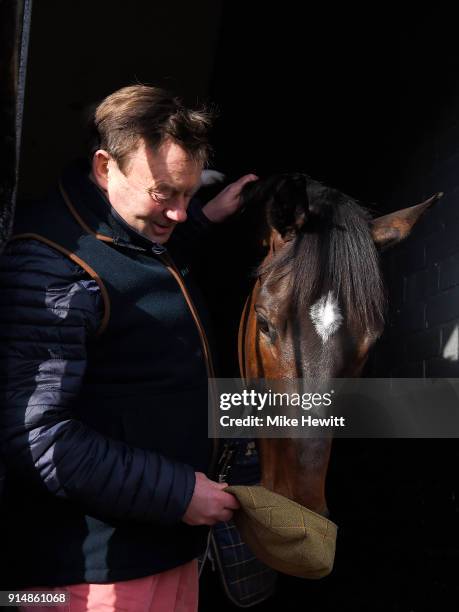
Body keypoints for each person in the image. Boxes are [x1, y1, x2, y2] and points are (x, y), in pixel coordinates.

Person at [0, 84, 258, 611]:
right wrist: (181, 494)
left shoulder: (128, 228)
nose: (181, 212)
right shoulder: (52, 268)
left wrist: (205, 220)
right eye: (166, 194)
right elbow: (37, 436)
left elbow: (133, 260)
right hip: (92, 581)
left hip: (165, 550)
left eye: (190, 193)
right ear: (104, 166)